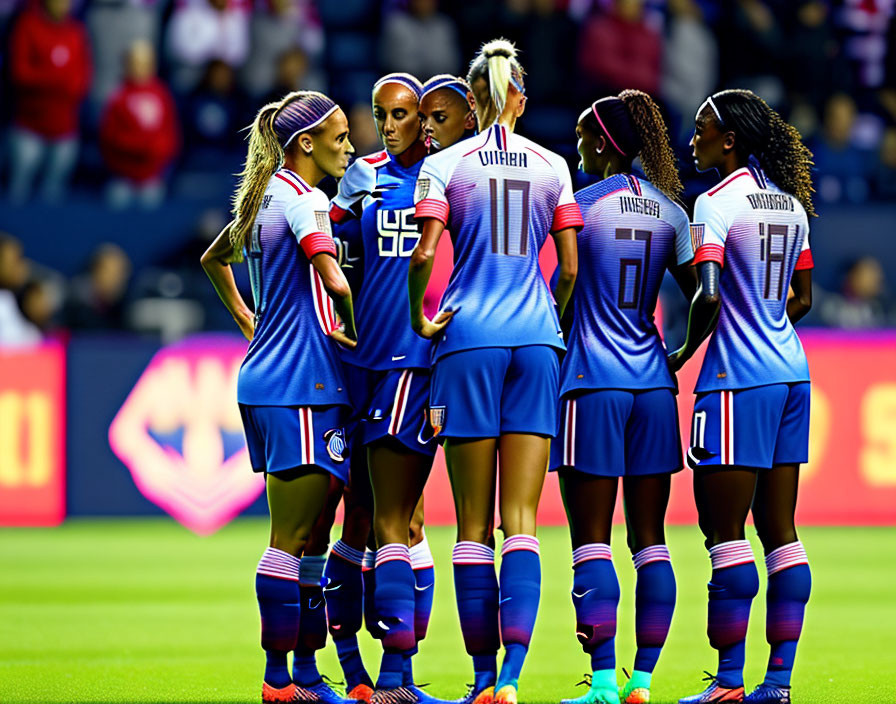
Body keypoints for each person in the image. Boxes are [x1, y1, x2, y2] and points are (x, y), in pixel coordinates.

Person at [409, 39, 582, 704]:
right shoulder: (553, 166)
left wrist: (419, 315)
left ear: (473, 99)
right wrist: (552, 317)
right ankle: (512, 679)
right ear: (521, 98)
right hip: (537, 338)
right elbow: (567, 268)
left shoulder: (445, 165)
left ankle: (482, 679)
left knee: (473, 525)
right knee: (524, 521)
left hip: (468, 338)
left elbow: (425, 253)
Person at [200, 90, 358, 704]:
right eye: (340, 135)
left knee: (313, 537)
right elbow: (329, 269)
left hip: (274, 378)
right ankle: (277, 680)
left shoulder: (261, 197)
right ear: (306, 144)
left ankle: (308, 676)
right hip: (301, 384)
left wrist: (248, 318)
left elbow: (216, 259)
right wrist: (350, 321)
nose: (349, 144)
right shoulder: (302, 198)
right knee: (291, 539)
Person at [669, 89, 815, 704]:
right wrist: (766, 320)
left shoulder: (714, 204)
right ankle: (776, 682)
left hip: (735, 382)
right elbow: (802, 299)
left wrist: (681, 353)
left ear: (730, 139)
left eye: (703, 129)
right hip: (791, 375)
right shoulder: (791, 205)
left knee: (723, 532)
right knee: (780, 529)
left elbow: (705, 293)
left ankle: (729, 681)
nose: (693, 139)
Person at [554, 90, 696, 704]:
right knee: (651, 538)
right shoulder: (672, 213)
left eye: (585, 134)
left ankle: (605, 681)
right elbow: (704, 294)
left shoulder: (579, 208)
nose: (578, 144)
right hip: (654, 386)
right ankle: (643, 681)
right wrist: (682, 354)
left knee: (591, 537)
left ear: (605, 144)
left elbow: (560, 284)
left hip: (592, 382)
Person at [324, 73, 451, 704]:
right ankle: (356, 672)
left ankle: (398, 673)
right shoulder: (360, 177)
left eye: (402, 113)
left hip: (413, 359)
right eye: (382, 114)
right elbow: (326, 248)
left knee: (403, 519)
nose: (392, 125)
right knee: (358, 519)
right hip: (354, 362)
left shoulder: (450, 174)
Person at [7, 0, 91, 204]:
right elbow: (20, 73)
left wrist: (54, 81)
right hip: (30, 123)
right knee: (19, 187)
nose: (63, 5)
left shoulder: (75, 32)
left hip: (64, 125)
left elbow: (81, 78)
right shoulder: (27, 26)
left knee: (54, 190)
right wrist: (57, 79)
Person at [99, 39, 180, 209]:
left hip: (152, 175)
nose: (140, 68)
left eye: (145, 63)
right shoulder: (118, 96)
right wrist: (139, 146)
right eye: (135, 63)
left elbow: (170, 133)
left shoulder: (161, 94)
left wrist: (159, 153)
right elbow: (109, 136)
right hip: (123, 175)